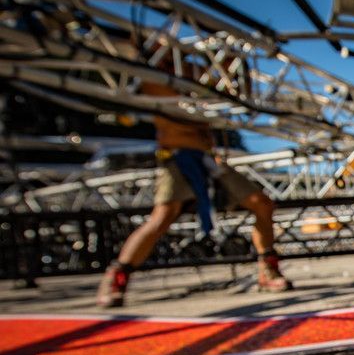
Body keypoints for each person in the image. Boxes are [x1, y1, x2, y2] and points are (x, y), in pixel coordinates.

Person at [96, 58, 291, 308]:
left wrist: (233, 66)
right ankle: (118, 275)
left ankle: (268, 269)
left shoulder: (196, 71)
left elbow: (232, 93)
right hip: (177, 157)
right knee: (162, 216)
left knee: (262, 203)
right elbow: (180, 105)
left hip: (209, 158)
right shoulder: (154, 74)